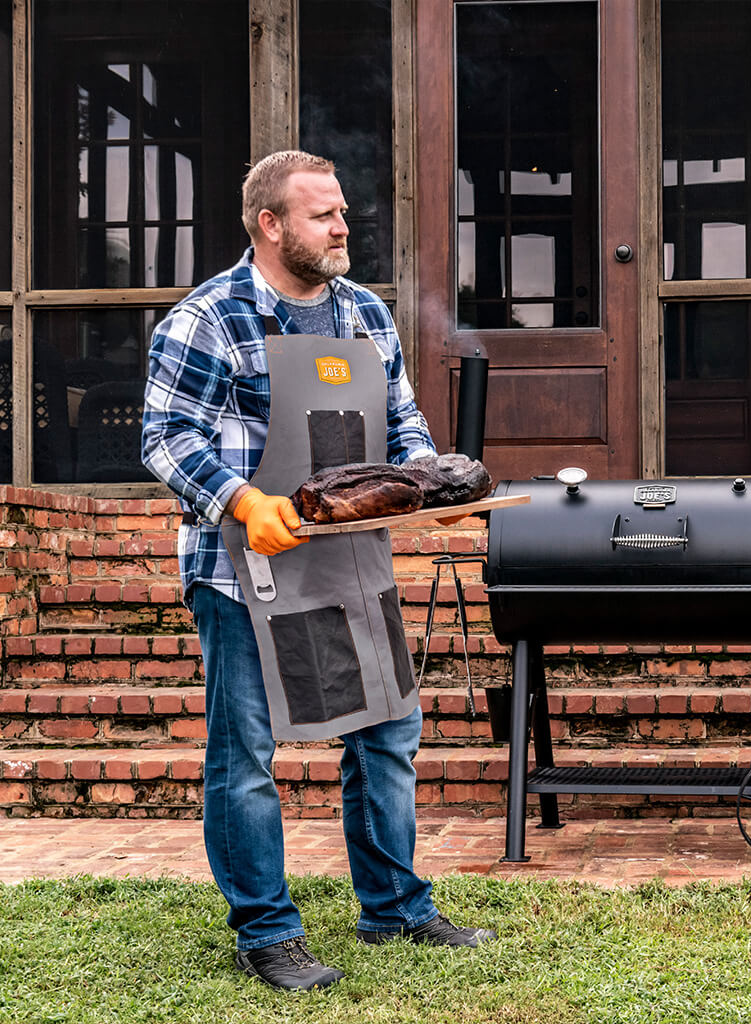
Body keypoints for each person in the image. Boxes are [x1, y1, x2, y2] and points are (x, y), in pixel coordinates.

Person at [142, 150, 497, 993]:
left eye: (343, 213)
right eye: (323, 215)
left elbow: (401, 422)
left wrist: (427, 483)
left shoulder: (364, 313)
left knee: (384, 735)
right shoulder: (209, 318)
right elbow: (167, 437)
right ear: (270, 224)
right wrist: (239, 501)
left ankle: (396, 907)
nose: (343, 228)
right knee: (247, 757)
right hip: (244, 568)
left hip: (351, 562)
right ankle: (266, 930)